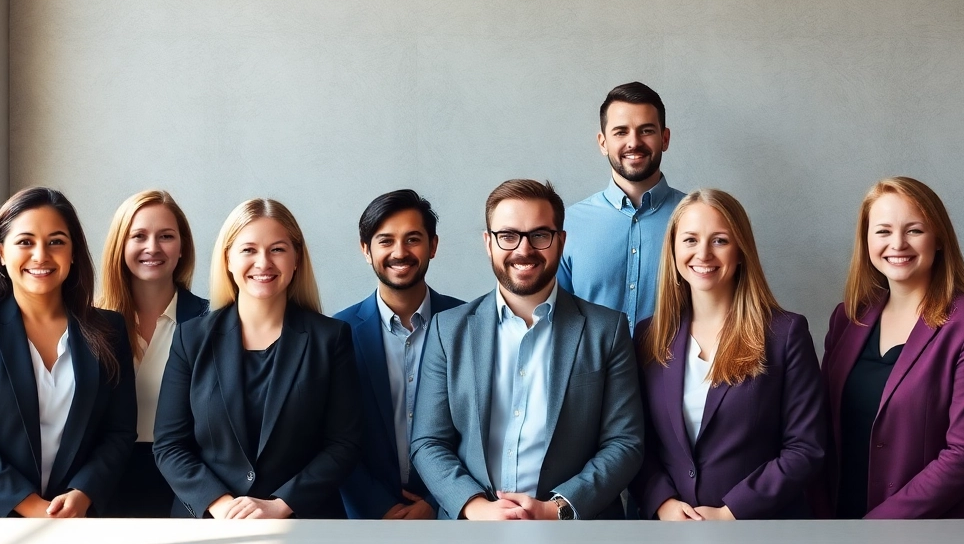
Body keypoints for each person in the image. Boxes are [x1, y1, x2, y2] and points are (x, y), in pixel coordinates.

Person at [411, 179, 644, 520]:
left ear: (560, 241)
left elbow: (625, 442)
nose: (524, 250)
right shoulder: (448, 330)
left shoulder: (606, 330)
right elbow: (428, 442)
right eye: (508, 236)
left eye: (539, 235)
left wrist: (557, 509)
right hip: (472, 532)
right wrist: (477, 508)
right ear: (488, 243)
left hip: (576, 533)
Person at [154, 198, 363, 519]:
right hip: (209, 523)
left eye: (277, 249)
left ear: (296, 259)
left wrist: (280, 505)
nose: (263, 262)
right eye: (248, 250)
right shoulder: (190, 338)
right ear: (227, 260)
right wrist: (223, 507)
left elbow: (343, 444)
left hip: (302, 522)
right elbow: (170, 445)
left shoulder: (331, 338)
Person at [0, 187, 136, 518]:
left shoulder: (109, 329)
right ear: (1, 252)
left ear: (73, 253)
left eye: (56, 241)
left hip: (77, 518)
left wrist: (83, 493)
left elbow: (118, 432)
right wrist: (36, 509)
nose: (41, 255)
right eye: (25, 242)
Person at [630, 189, 826, 521]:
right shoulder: (649, 335)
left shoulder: (785, 334)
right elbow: (635, 440)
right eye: (690, 240)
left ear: (741, 251)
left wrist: (731, 512)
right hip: (670, 535)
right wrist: (661, 501)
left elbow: (806, 448)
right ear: (674, 250)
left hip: (761, 531)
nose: (703, 254)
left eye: (719, 240)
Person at [821, 177, 964, 519]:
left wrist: (877, 526)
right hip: (839, 525)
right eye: (883, 231)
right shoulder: (848, 317)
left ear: (938, 239)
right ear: (866, 241)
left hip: (929, 533)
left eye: (914, 230)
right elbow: (822, 427)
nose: (898, 244)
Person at [334, 190, 464, 519]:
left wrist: (438, 502)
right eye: (385, 241)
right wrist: (379, 506)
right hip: (364, 520)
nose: (399, 252)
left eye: (413, 239)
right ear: (366, 250)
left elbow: (480, 429)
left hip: (452, 514)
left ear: (433, 246)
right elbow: (330, 437)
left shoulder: (468, 324)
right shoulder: (336, 333)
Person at [98, 190, 208, 516]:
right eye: (139, 236)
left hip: (188, 481)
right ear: (120, 245)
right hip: (104, 483)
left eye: (166, 236)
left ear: (182, 246)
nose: (152, 247)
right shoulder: (89, 326)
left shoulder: (213, 325)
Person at [558, 81, 685, 332]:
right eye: (620, 132)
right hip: (592, 371)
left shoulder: (696, 218)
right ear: (603, 142)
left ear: (665, 138)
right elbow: (555, 317)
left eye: (646, 130)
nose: (633, 142)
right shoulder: (568, 223)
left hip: (673, 370)